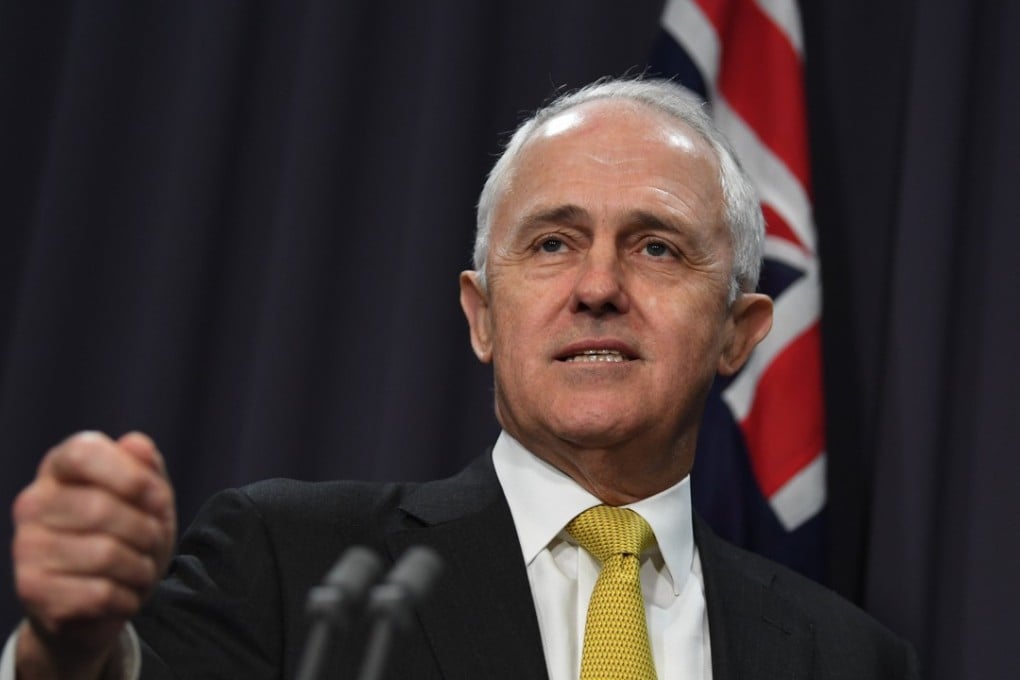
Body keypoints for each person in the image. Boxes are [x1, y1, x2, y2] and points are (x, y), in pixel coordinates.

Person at [4, 77, 919, 679]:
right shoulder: (290, 563)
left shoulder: (850, 660)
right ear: (482, 315)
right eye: (552, 243)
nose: (598, 286)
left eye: (656, 247)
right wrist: (67, 654)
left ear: (738, 333)